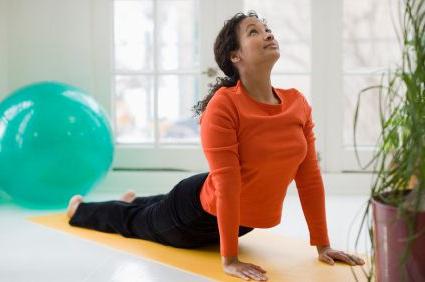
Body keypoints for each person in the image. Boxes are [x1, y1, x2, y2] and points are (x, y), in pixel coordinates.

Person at [67, 11, 365, 281]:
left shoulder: (296, 102)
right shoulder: (224, 106)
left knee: (158, 204)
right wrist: (230, 260)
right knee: (136, 222)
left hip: (236, 217)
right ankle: (80, 210)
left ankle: (134, 199)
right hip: (196, 217)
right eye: (253, 32)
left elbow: (309, 177)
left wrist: (323, 245)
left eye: (267, 29)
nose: (268, 34)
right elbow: (227, 184)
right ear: (235, 56)